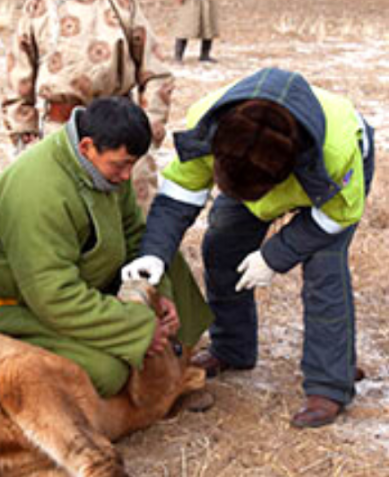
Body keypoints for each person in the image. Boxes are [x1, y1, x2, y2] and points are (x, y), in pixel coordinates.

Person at [122, 67, 375, 428]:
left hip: (327, 191)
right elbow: (178, 196)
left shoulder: (336, 153)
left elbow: (337, 216)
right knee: (222, 244)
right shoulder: (208, 126)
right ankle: (233, 348)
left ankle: (330, 385)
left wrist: (274, 255)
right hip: (250, 170)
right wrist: (154, 252)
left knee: (324, 271)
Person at [0, 97, 213, 397]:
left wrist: (160, 298)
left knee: (167, 264)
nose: (125, 177)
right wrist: (139, 327)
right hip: (20, 304)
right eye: (120, 166)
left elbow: (134, 234)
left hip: (84, 279)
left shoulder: (101, 169)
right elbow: (52, 294)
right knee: (106, 371)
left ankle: (171, 362)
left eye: (131, 165)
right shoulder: (38, 193)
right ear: (86, 148)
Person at [2, 0, 175, 213]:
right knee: (57, 214)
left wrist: (146, 131)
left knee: (134, 219)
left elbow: (157, 74)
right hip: (60, 130)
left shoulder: (122, 6)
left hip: (121, 133)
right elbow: (18, 74)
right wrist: (23, 131)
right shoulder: (39, 7)